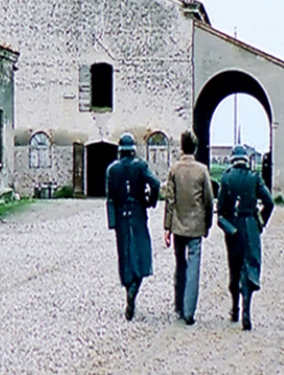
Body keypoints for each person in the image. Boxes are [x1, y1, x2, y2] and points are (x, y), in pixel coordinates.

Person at [216, 145, 274, 330]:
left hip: (233, 226)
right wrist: (260, 223)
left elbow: (221, 210)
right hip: (250, 225)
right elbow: (269, 202)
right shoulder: (254, 177)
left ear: (233, 160)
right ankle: (246, 309)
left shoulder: (226, 178)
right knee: (249, 268)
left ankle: (234, 307)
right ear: (246, 160)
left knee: (234, 267)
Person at [106, 133, 162, 321]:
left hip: (122, 216)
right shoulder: (140, 166)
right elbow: (155, 184)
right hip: (138, 212)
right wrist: (150, 201)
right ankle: (134, 289)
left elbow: (110, 198)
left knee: (125, 256)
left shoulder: (112, 170)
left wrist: (113, 222)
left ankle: (128, 289)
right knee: (142, 254)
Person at [163, 131, 214, 325]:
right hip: (196, 226)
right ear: (195, 148)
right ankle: (189, 311)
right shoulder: (202, 170)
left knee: (180, 265)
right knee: (194, 266)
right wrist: (207, 223)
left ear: (182, 147)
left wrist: (167, 227)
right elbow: (209, 200)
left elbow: (170, 200)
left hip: (178, 225)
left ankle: (178, 305)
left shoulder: (174, 169)